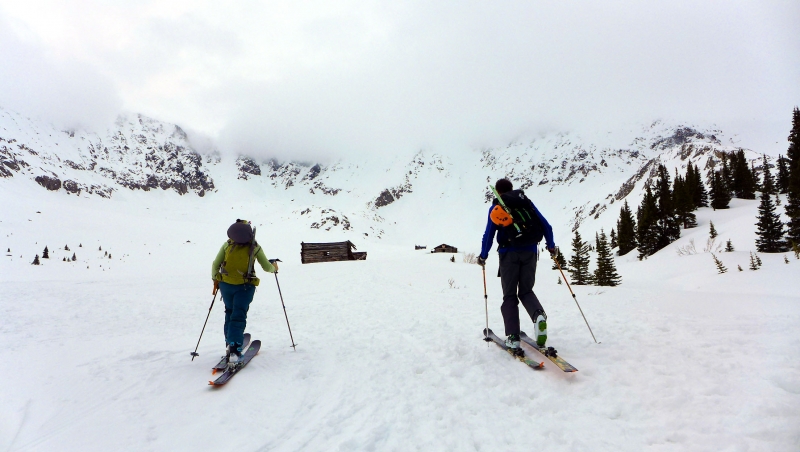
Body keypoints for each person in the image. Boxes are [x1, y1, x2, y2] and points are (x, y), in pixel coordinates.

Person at [478, 179, 556, 355]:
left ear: (498, 191)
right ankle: (538, 316)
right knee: (526, 291)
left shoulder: (498, 207)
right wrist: (551, 246)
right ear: (512, 190)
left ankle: (513, 337)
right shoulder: (526, 203)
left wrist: (483, 255)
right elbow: (546, 226)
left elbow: (489, 234)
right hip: (530, 251)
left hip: (509, 253)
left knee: (510, 295)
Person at [211, 219, 277, 365]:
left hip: (225, 285)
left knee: (229, 312)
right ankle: (234, 350)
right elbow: (267, 267)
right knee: (238, 316)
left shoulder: (227, 244)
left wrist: (216, 279)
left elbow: (216, 264)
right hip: (244, 287)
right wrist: (274, 268)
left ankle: (229, 344)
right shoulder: (255, 247)